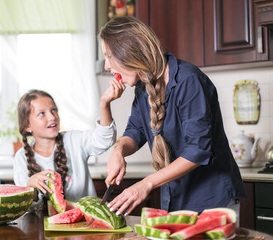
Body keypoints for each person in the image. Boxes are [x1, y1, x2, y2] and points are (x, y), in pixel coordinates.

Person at [99, 16, 247, 219]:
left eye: (109, 56)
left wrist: (146, 184)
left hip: (213, 201)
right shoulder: (143, 87)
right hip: (177, 199)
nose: (107, 65)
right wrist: (119, 151)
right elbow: (136, 131)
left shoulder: (189, 81)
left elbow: (198, 151)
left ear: (130, 51)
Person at [13, 85, 124, 212]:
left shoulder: (74, 140)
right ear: (27, 125)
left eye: (54, 110)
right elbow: (25, 206)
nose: (52, 117)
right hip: (40, 227)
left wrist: (104, 104)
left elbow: (105, 139)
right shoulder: (21, 157)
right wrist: (30, 186)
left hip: (85, 222)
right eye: (42, 114)